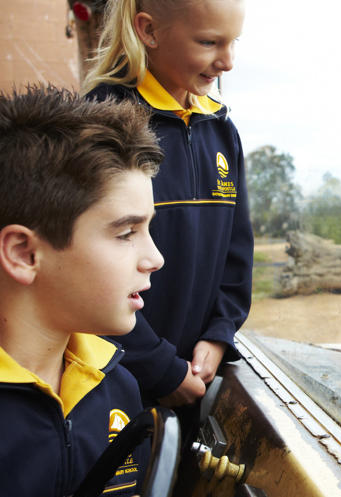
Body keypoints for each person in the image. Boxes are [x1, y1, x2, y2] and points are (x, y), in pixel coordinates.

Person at [81, 0, 253, 414]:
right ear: (149, 30)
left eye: (234, 43)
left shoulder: (222, 130)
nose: (227, 62)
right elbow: (85, 270)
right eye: (209, 42)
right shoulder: (98, 124)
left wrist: (218, 334)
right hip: (113, 384)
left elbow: (236, 251)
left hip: (195, 376)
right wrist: (158, 367)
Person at [0, 86, 164, 497]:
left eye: (149, 229)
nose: (155, 258)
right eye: (127, 233)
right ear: (24, 253)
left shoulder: (119, 387)